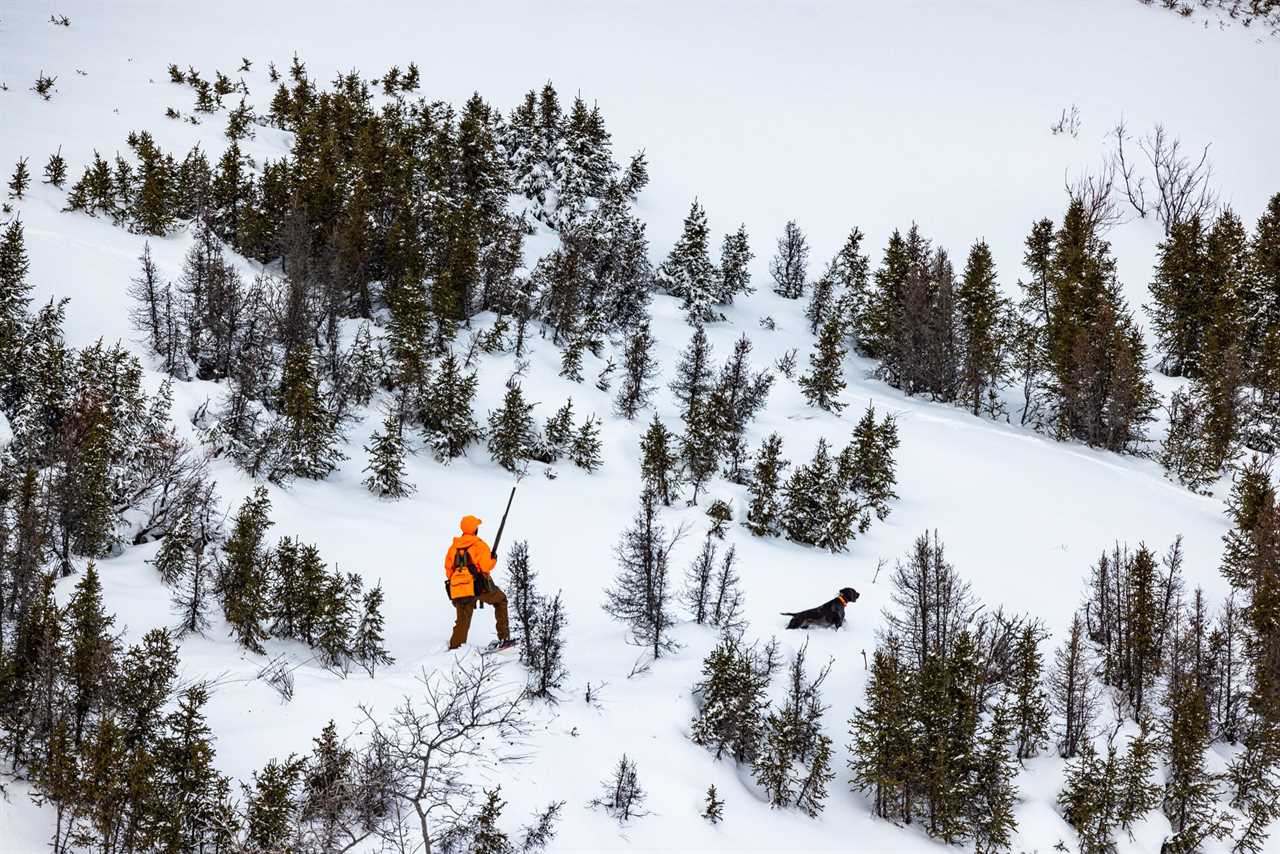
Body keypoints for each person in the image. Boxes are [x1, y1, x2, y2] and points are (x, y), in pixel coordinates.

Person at [444, 514, 513, 650]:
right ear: (475, 529)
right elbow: (486, 567)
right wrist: (493, 559)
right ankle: (504, 638)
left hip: (458, 589)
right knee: (501, 601)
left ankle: (455, 648)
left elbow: (448, 570)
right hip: (479, 587)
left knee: (462, 620)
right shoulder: (479, 545)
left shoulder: (453, 548)